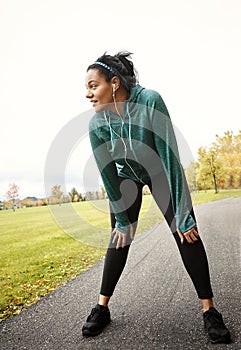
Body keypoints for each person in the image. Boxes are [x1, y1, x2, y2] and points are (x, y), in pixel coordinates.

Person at [82, 51, 231, 344]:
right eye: (86, 87)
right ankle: (102, 308)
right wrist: (122, 219)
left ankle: (209, 310)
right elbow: (108, 175)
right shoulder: (96, 124)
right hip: (126, 177)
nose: (87, 94)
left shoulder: (149, 101)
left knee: (186, 233)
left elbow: (169, 155)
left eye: (92, 85)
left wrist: (184, 213)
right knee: (119, 236)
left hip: (159, 171)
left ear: (114, 83)